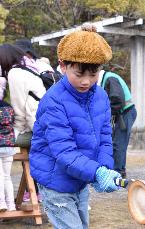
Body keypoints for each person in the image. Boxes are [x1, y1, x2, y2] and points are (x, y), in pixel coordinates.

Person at [29, 23, 121, 228]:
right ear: (62, 66)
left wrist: (104, 167)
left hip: (79, 179)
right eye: (79, 75)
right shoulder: (54, 101)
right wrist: (96, 171)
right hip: (55, 181)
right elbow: (63, 151)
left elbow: (106, 137)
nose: (86, 81)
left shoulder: (101, 96)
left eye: (93, 74)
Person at [0, 44, 45, 202]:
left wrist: (13, 133)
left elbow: (19, 111)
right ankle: (30, 192)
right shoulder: (28, 69)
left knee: (2, 142)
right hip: (41, 126)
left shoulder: (14, 73)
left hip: (36, 131)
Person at [97, 69, 137, 178]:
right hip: (123, 113)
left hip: (125, 113)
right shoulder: (108, 78)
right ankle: (120, 170)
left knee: (118, 144)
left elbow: (117, 100)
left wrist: (105, 114)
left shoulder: (110, 78)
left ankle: (117, 172)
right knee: (119, 143)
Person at [0, 77, 16, 212]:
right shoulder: (9, 107)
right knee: (7, 176)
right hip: (9, 145)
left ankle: (1, 203)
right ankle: (11, 205)